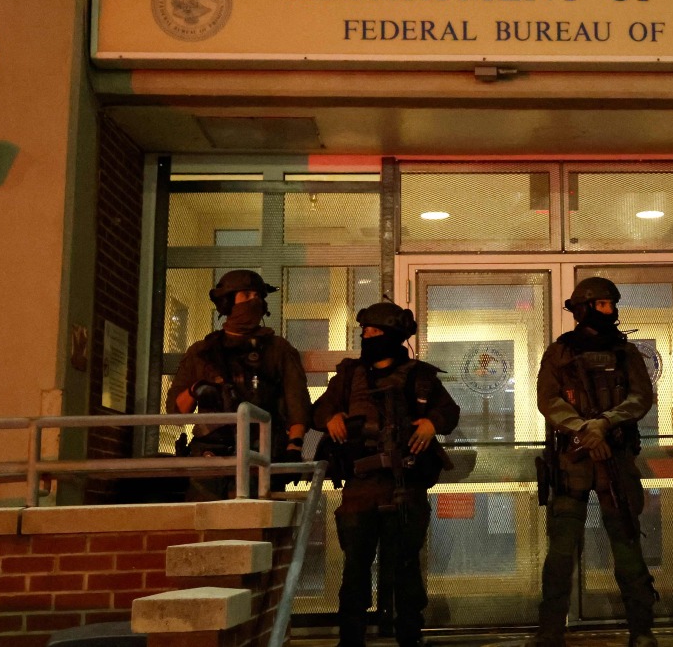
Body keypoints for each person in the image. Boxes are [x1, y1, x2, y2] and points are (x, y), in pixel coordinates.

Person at [312, 301, 459, 647]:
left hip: (404, 486)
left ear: (393, 335)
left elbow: (449, 412)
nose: (367, 336)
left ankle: (409, 636)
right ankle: (352, 639)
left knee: (406, 567)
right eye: (364, 331)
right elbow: (319, 409)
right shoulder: (349, 376)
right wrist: (329, 417)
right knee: (355, 568)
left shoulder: (421, 377)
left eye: (374, 332)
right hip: (361, 488)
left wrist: (431, 423)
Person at [535, 277, 657, 647]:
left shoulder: (627, 354)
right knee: (560, 553)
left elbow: (641, 398)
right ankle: (550, 632)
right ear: (585, 308)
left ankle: (641, 630)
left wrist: (604, 424)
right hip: (573, 461)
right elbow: (548, 400)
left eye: (611, 305)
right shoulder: (559, 353)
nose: (610, 311)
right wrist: (585, 430)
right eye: (602, 305)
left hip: (615, 461)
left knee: (627, 546)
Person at [166, 269, 312, 500]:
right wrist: (197, 390)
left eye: (258, 296)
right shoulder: (203, 352)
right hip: (211, 456)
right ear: (227, 302)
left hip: (260, 453)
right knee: (207, 523)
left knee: (254, 524)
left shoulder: (277, 350)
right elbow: (176, 411)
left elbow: (297, 405)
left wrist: (293, 448)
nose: (253, 301)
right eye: (246, 295)